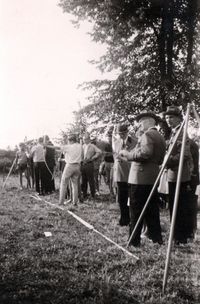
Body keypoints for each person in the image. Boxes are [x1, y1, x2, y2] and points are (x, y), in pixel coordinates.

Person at [120, 111, 165, 246]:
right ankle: (156, 238)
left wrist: (128, 155)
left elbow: (145, 153)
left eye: (140, 122)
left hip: (139, 178)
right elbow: (160, 158)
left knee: (136, 210)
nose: (139, 125)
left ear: (148, 121)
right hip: (152, 177)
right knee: (152, 210)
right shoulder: (160, 137)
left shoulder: (147, 135)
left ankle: (134, 241)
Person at [164, 105, 194, 244]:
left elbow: (184, 155)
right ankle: (177, 234)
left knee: (179, 207)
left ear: (178, 119)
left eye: (171, 117)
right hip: (173, 175)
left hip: (179, 176)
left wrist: (167, 162)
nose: (168, 120)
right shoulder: (174, 132)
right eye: (167, 117)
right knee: (174, 206)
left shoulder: (181, 133)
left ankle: (179, 237)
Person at [112, 124, 137, 226]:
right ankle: (124, 219)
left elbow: (134, 156)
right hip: (119, 172)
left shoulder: (134, 141)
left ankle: (132, 219)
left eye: (123, 133)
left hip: (130, 172)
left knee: (131, 197)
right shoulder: (116, 142)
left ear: (127, 132)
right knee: (122, 198)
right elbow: (114, 154)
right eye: (119, 134)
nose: (121, 135)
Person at [59, 133, 83, 206]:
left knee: (63, 183)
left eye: (69, 140)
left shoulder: (69, 147)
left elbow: (56, 147)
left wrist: (46, 146)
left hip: (70, 165)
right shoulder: (80, 146)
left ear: (71, 140)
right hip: (78, 166)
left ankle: (61, 202)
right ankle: (75, 202)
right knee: (75, 184)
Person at [81, 132, 102, 201]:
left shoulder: (92, 146)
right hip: (83, 164)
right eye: (84, 139)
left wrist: (93, 157)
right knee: (83, 181)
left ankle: (93, 195)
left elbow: (99, 152)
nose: (85, 140)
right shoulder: (82, 146)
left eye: (86, 139)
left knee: (91, 180)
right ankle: (84, 195)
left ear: (89, 139)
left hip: (89, 164)